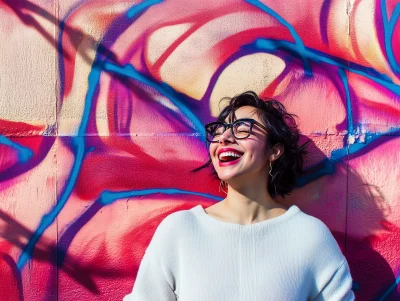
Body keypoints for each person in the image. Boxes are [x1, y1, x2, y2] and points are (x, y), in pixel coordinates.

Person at [123, 91, 355, 300]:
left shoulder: (309, 236)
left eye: (242, 129)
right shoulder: (180, 230)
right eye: (219, 131)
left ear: (274, 151)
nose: (224, 138)